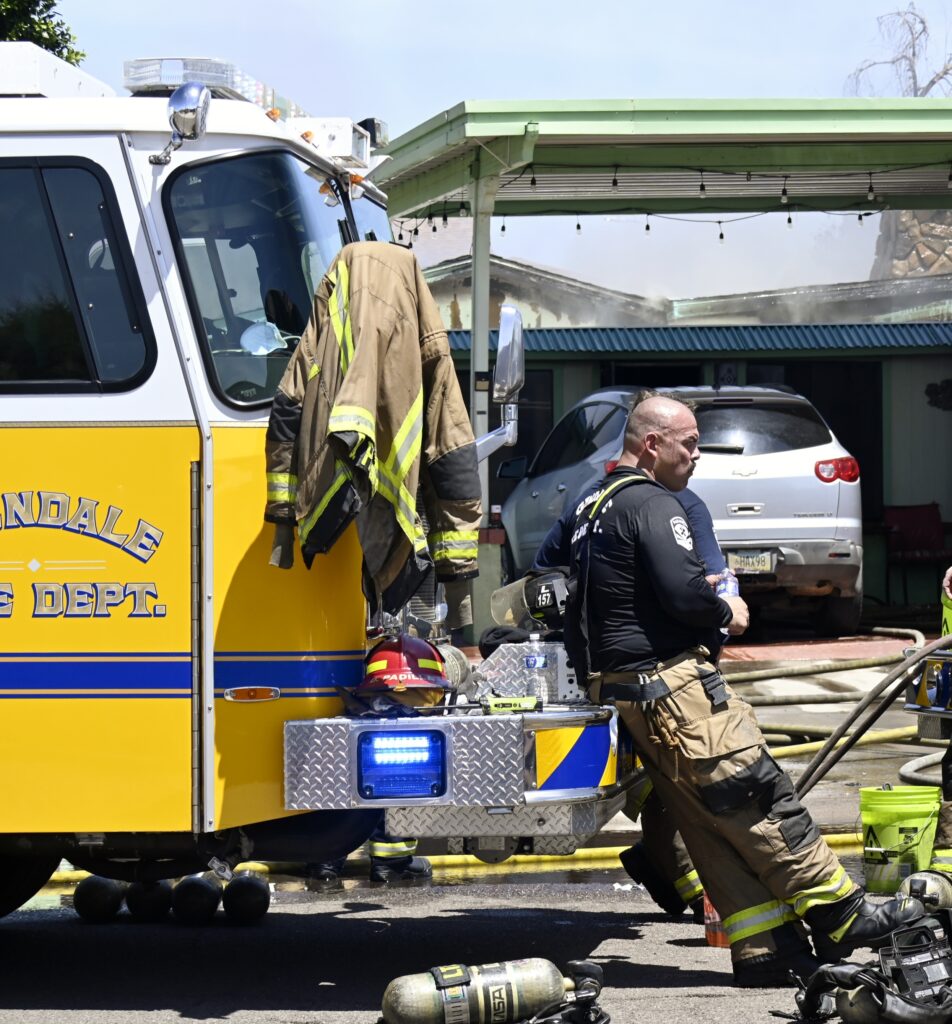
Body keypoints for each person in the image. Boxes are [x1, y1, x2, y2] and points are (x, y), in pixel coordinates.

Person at [563, 394, 923, 988]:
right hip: (675, 691)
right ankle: (841, 912)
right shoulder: (653, 502)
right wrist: (725, 608)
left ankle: (766, 947)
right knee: (754, 796)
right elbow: (684, 592)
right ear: (652, 444)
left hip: (627, 694)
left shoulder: (589, 506)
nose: (698, 455)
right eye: (689, 443)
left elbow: (552, 578)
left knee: (708, 825)